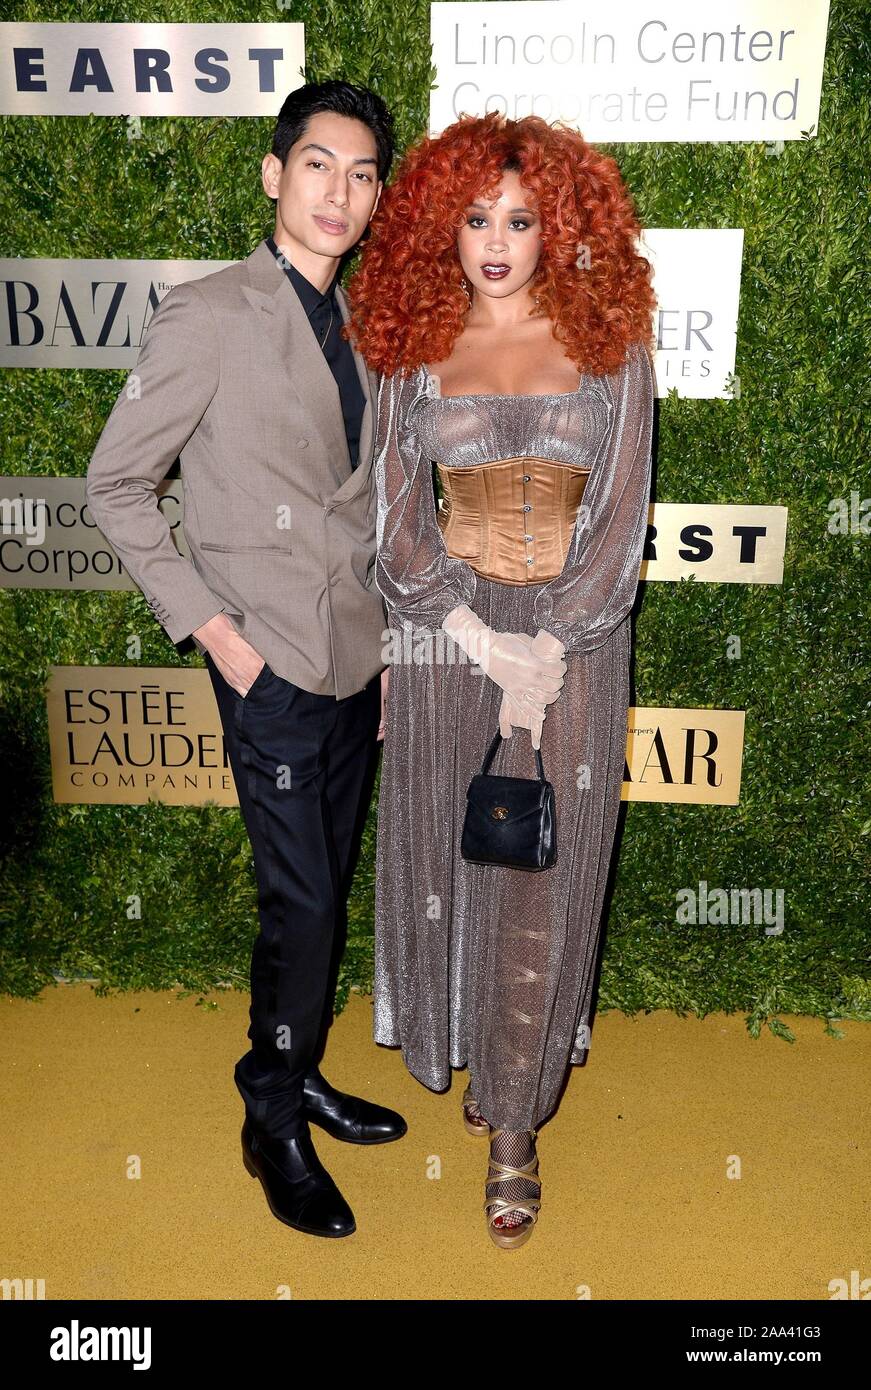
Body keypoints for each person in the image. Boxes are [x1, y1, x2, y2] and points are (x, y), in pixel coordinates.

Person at [86, 80, 407, 1241]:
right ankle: (269, 1113)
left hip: (353, 669)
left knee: (320, 892)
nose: (340, 191)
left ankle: (300, 1066)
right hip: (265, 667)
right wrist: (216, 636)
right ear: (275, 175)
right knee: (304, 903)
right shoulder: (209, 313)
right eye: (319, 164)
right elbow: (116, 484)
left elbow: (362, 510)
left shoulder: (368, 328)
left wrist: (382, 659)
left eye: (362, 173)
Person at [347, 111, 656, 1248]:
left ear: (557, 228)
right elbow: (394, 525)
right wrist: (477, 642)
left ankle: (515, 1127)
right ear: (442, 223)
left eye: (519, 220)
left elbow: (622, 524)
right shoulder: (410, 347)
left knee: (539, 871)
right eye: (474, 217)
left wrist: (547, 650)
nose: (494, 241)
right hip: (445, 644)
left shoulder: (615, 343)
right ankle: (479, 1048)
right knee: (452, 849)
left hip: (574, 644)